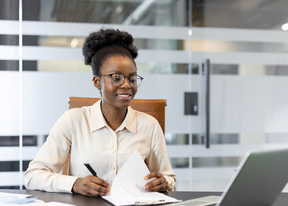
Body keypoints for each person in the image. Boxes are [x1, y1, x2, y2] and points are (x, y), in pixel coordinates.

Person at [24, 29, 176, 196]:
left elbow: (169, 179)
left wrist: (163, 183)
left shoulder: (149, 125)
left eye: (132, 78)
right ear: (97, 82)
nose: (126, 85)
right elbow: (32, 176)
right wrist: (75, 184)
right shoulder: (74, 121)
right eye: (116, 77)